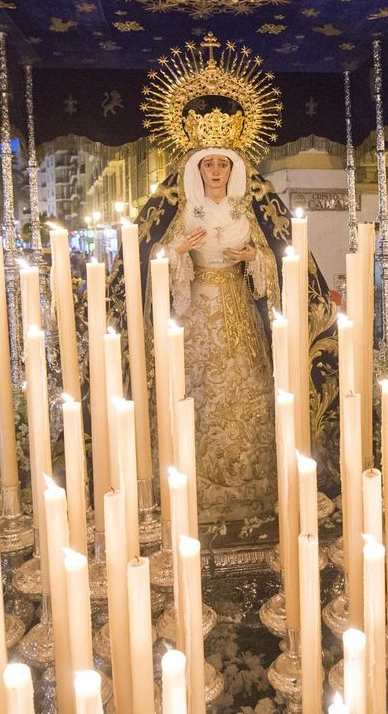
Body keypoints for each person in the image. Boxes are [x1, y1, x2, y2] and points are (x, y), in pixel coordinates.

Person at [153, 147, 282, 520]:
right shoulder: (186, 209)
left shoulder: (246, 209)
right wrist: (178, 250)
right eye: (207, 164)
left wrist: (254, 258)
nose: (214, 170)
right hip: (198, 308)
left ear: (232, 169)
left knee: (247, 382)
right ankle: (198, 478)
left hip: (239, 305)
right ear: (197, 169)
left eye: (222, 164)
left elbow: (273, 255)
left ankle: (250, 479)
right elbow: (157, 255)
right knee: (201, 386)